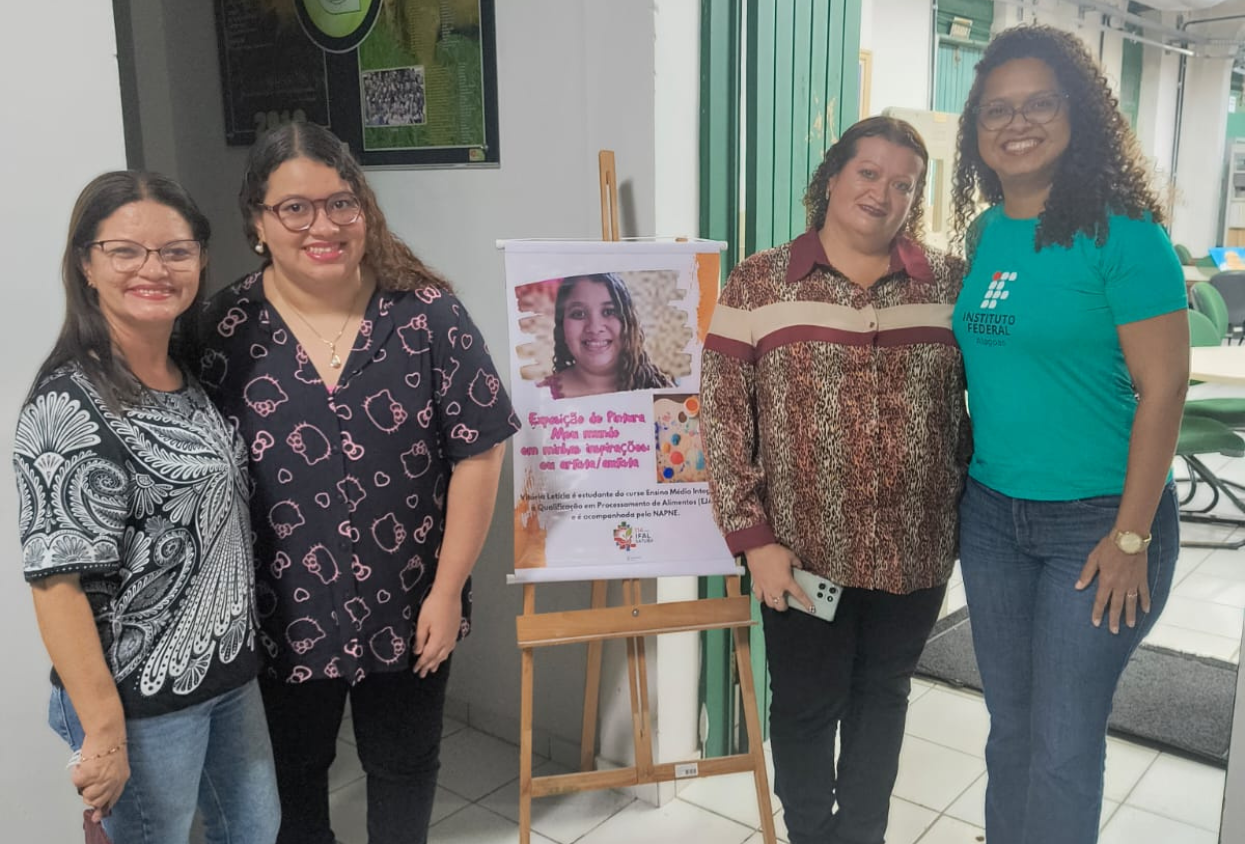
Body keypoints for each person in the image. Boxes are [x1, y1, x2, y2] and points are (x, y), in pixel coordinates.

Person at [197, 122, 518, 844]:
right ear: (257, 222)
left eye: (340, 203)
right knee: (291, 781)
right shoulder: (222, 329)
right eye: (295, 208)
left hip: (410, 604)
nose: (323, 226)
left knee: (404, 768)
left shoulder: (427, 315)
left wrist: (446, 590)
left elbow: (479, 452)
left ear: (363, 208)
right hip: (277, 614)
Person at [701, 116, 971, 844]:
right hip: (800, 555)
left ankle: (862, 834)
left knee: (883, 698)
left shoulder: (949, 283)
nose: (882, 194)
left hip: (915, 550)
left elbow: (981, 405)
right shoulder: (759, 282)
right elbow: (722, 419)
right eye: (868, 173)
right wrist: (753, 540)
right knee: (805, 706)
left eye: (903, 185)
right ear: (831, 177)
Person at [949, 25, 1188, 844]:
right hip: (992, 517)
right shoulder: (985, 235)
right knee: (1009, 731)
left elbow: (1164, 390)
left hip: (1098, 523)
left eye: (1039, 104)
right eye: (996, 109)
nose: (1016, 123)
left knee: (1060, 744)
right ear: (976, 130)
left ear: (1077, 114)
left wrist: (1131, 536)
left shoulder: (1126, 234)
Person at [14, 171, 279, 843]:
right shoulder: (67, 403)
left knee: (255, 830)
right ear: (86, 264)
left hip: (226, 677)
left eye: (175, 251)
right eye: (125, 251)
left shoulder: (186, 377)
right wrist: (103, 729)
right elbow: (56, 583)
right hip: (139, 700)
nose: (154, 269)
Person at [539, 272, 674, 398]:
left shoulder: (662, 392)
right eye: (579, 314)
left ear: (629, 322)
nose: (594, 328)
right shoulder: (542, 397)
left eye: (608, 312)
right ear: (562, 326)